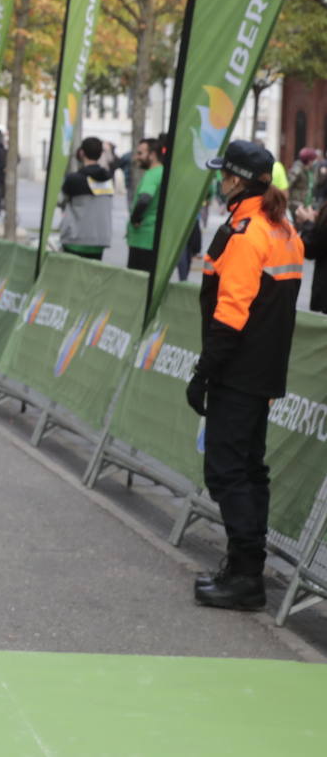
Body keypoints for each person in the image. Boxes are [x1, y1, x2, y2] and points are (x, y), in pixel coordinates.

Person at [186, 140, 303, 611]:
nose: (220, 181)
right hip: (266, 370)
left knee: (227, 471)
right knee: (251, 471)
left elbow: (230, 312)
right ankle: (242, 568)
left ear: (236, 180)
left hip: (237, 370)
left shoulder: (244, 231)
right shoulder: (284, 229)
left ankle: (246, 577)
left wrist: (204, 372)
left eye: (224, 174)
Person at [58, 137, 113, 261]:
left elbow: (61, 200)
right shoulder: (108, 179)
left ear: (81, 153)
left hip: (75, 238)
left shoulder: (74, 179)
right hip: (99, 240)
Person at [125, 137, 164, 273]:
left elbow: (145, 198)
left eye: (140, 153)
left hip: (142, 238)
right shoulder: (163, 172)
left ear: (152, 155)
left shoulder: (152, 175)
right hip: (152, 238)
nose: (137, 157)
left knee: (137, 283)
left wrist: (135, 218)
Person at [286, 148, 318, 214]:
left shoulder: (311, 170)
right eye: (313, 160)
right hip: (296, 203)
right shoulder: (297, 169)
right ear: (309, 160)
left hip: (307, 203)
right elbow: (288, 184)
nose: (315, 162)